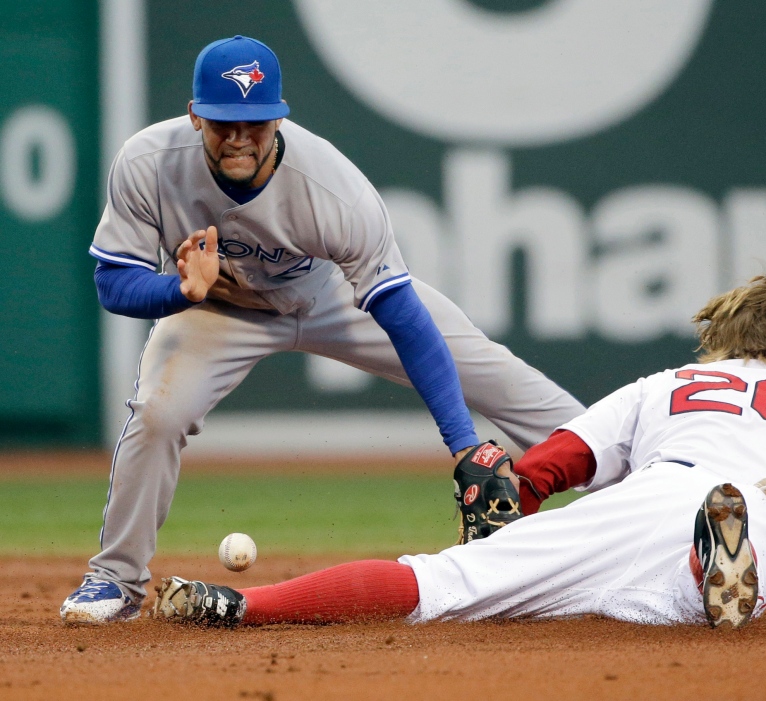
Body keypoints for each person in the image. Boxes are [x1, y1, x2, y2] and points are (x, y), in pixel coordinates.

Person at [152, 253, 766, 630]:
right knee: (721, 567)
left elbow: (555, 466)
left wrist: (505, 494)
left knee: (438, 582)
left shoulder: (666, 384)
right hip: (740, 523)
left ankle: (246, 605)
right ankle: (726, 556)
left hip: (642, 502)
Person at [60, 35, 583, 625]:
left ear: (279, 119)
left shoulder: (332, 187)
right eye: (222, 123)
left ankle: (647, 485)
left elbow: (401, 314)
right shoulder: (147, 161)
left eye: (254, 123)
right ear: (194, 115)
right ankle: (115, 580)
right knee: (156, 412)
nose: (238, 138)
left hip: (330, 294)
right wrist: (178, 291)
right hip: (218, 308)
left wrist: (464, 443)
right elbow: (112, 283)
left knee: (498, 377)